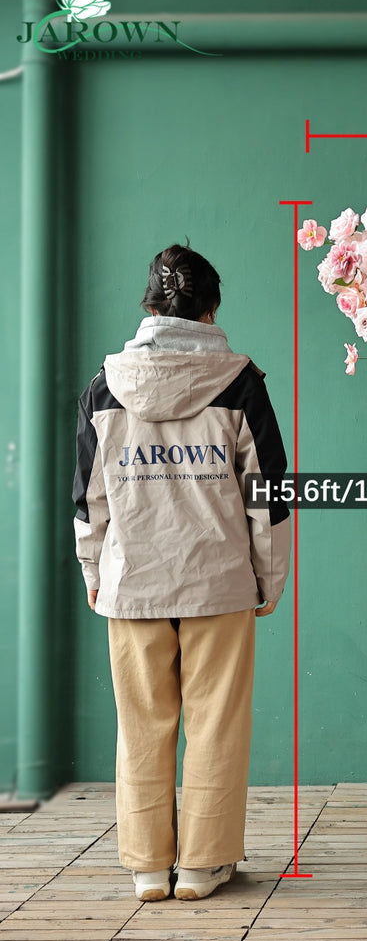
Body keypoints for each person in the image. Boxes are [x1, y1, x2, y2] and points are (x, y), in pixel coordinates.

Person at [72, 244, 291, 902]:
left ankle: (146, 866)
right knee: (215, 723)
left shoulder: (103, 386)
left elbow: (89, 500)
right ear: (211, 306)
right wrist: (269, 579)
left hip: (132, 582)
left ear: (149, 305)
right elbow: (269, 497)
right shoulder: (241, 382)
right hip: (218, 583)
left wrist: (93, 571)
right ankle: (202, 865)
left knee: (141, 723)